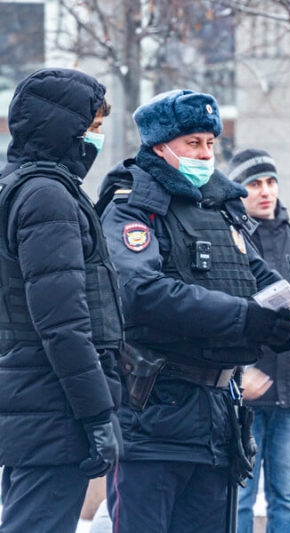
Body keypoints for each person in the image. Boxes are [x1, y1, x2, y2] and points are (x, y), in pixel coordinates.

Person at [97, 89, 290, 533]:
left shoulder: (221, 207)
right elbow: (140, 291)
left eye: (210, 143)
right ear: (159, 146)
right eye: (193, 143)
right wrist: (245, 317)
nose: (205, 154)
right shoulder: (133, 207)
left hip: (216, 421)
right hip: (153, 418)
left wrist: (284, 318)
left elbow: (257, 276)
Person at [0, 68, 124, 533]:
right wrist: (96, 413)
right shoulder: (47, 196)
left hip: (34, 401)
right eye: (90, 128)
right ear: (62, 129)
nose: (96, 139)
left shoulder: (21, 186)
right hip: (53, 406)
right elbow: (63, 322)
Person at [227, 149, 290, 533]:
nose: (265, 191)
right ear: (239, 190)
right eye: (254, 183)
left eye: (270, 181)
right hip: (247, 390)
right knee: (240, 497)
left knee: (289, 498)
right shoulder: (229, 239)